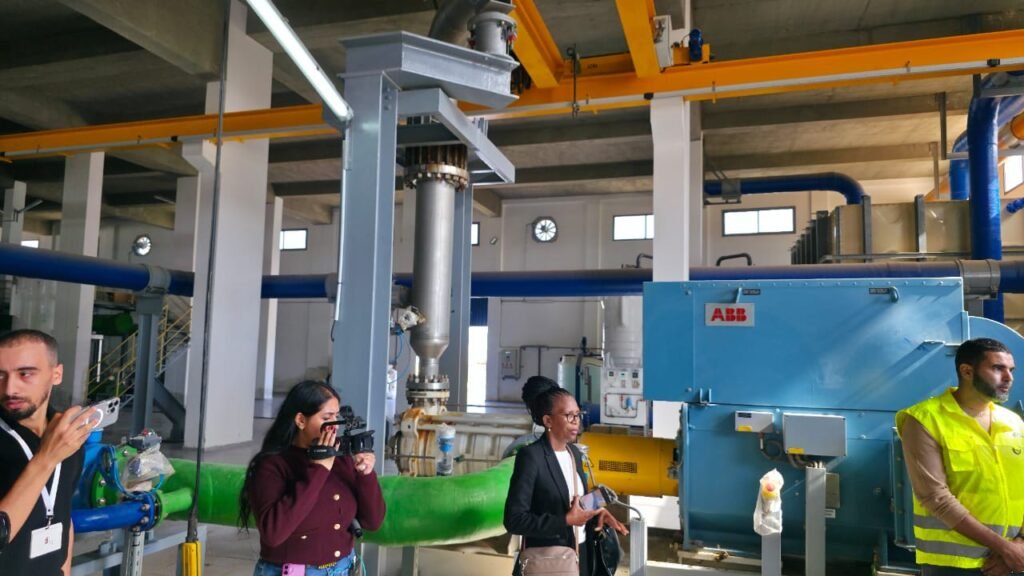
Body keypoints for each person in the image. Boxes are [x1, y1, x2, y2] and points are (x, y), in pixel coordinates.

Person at [897, 338, 1024, 576]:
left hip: (1013, 561)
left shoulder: (1013, 422)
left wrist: (1020, 544)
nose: (1009, 378)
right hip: (953, 565)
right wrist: (1005, 549)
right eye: (998, 368)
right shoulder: (925, 419)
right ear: (967, 371)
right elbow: (935, 497)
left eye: (1011, 370)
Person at [240, 380, 386, 576]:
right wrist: (319, 469)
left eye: (336, 416)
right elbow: (273, 534)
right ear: (301, 420)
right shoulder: (272, 465)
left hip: (343, 568)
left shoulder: (340, 459)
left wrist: (366, 475)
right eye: (327, 417)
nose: (335, 426)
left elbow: (373, 522)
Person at [504, 376, 628, 576]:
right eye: (569, 415)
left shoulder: (575, 454)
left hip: (582, 555)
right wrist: (565, 520)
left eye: (578, 415)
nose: (576, 421)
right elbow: (514, 520)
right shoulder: (531, 457)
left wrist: (597, 512)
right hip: (550, 562)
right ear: (548, 421)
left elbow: (576, 504)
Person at [0, 329, 98, 575]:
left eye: (25, 374)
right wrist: (46, 458)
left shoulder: (67, 434)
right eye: (0, 375)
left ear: (56, 374)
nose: (10, 389)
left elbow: (63, 515)